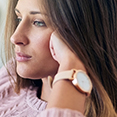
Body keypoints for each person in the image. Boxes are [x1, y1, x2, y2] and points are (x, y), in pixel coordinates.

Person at [0, 0, 117, 117]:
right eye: (19, 19)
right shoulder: (10, 78)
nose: (15, 37)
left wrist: (71, 64)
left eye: (39, 22)